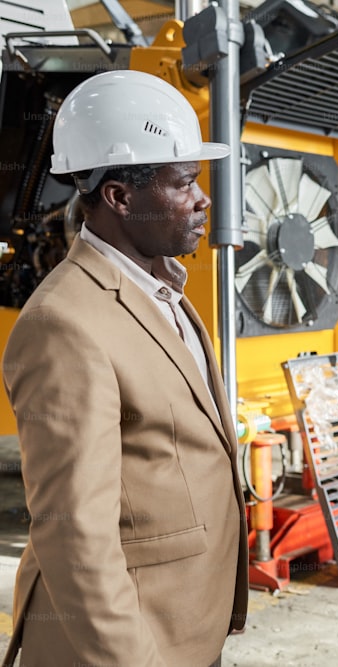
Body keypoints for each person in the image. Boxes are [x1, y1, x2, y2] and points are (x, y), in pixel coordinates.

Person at [1, 70, 248, 666]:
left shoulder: (160, 290)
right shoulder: (64, 324)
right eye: (184, 181)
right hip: (128, 643)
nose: (203, 198)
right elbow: (74, 535)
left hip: (182, 621)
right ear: (119, 196)